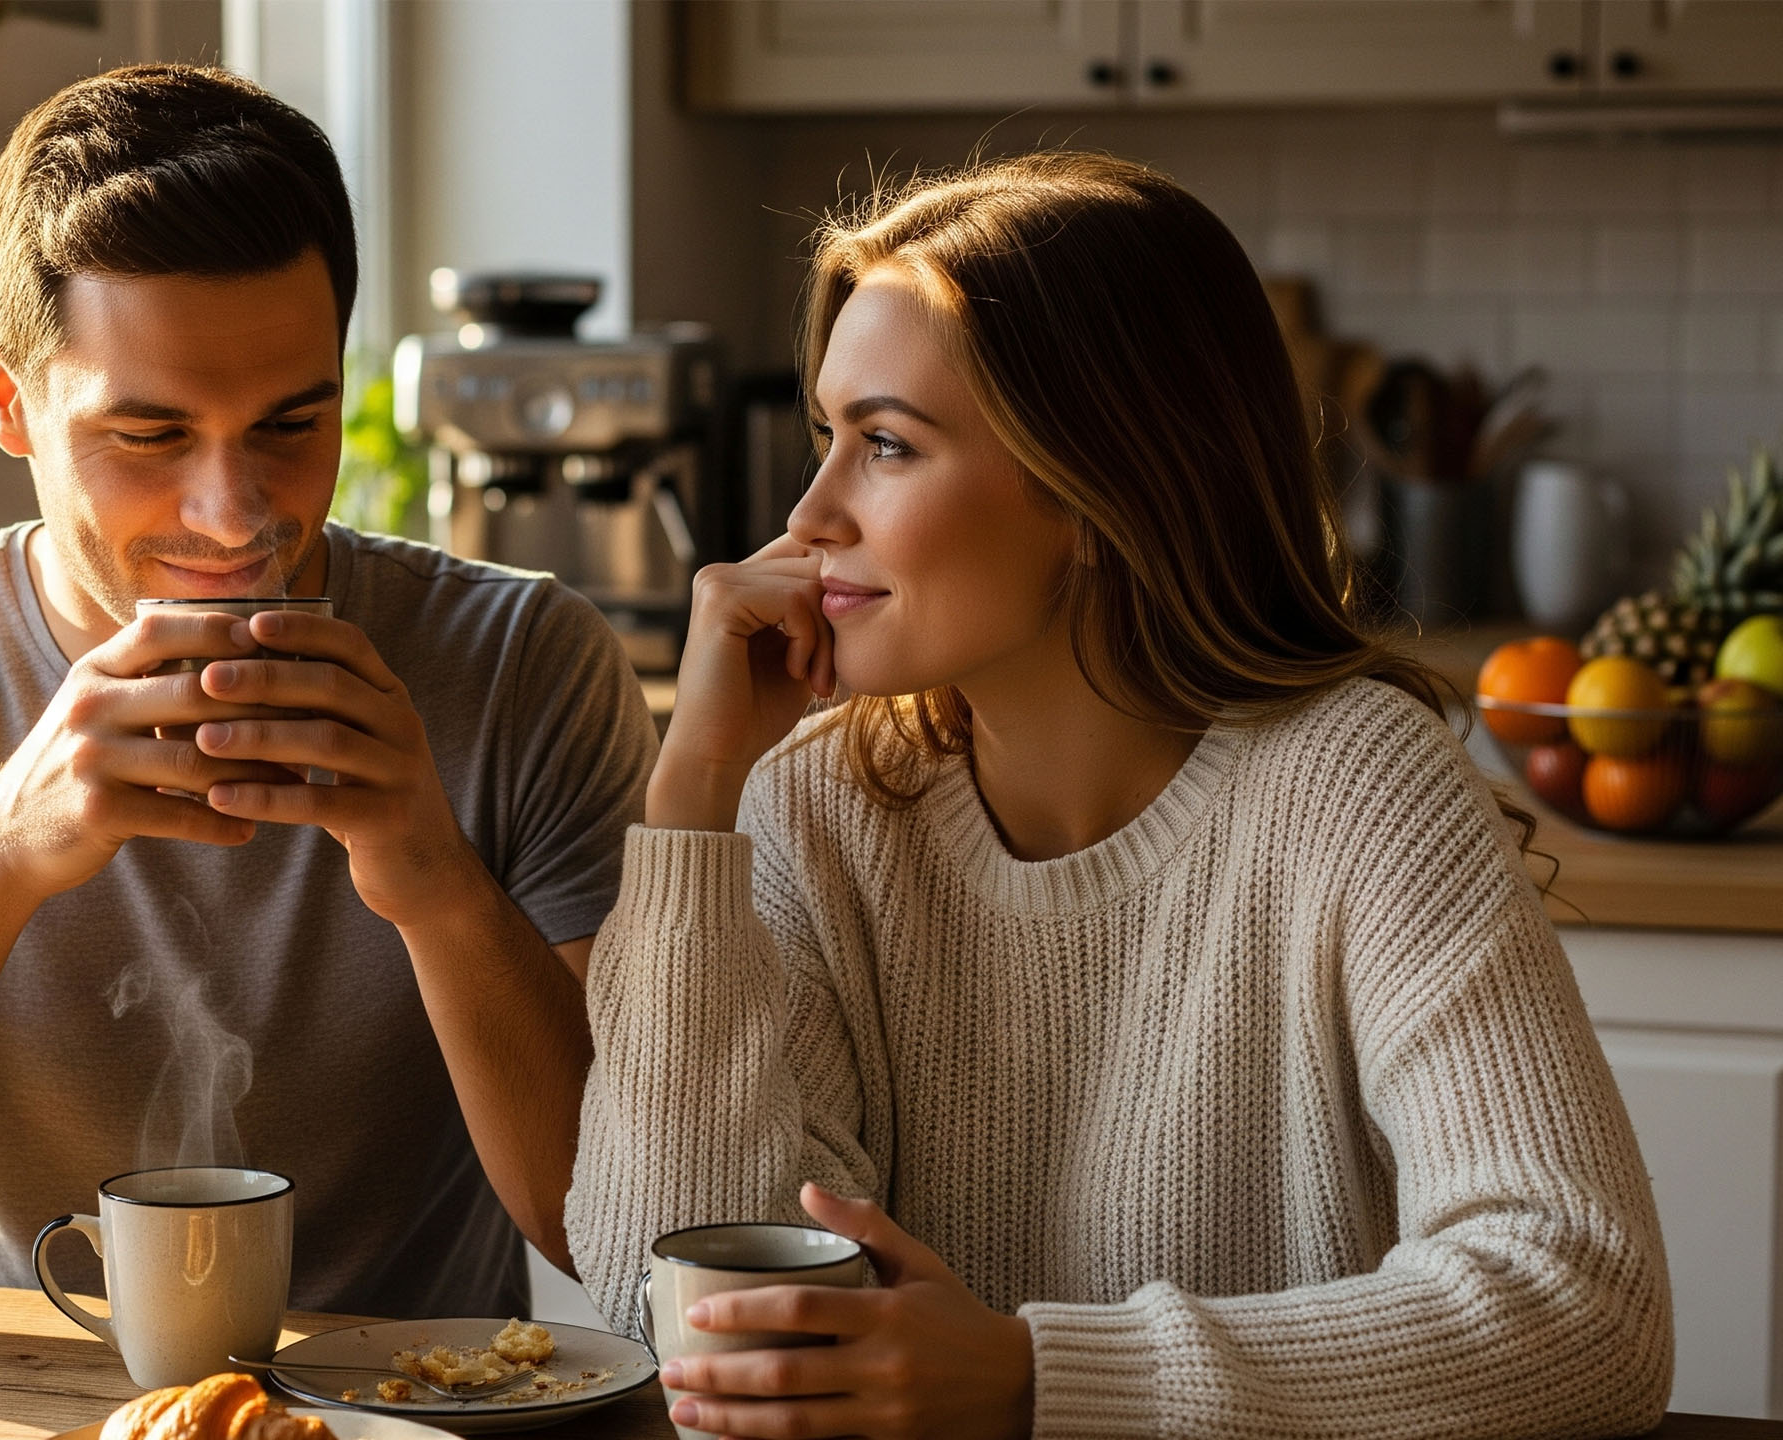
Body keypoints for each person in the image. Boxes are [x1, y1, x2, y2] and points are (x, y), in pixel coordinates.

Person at [565, 152, 1673, 1438]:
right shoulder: (812, 806)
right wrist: (692, 801)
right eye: (828, 438)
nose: (807, 514)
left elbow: (1584, 1310)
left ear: (1096, 490)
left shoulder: (1356, 785)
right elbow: (669, 1306)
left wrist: (1039, 1382)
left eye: (884, 445)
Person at [0, 64, 654, 1319]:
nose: (236, 517)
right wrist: (5, 842)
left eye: (290, 424)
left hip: (409, 1406)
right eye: (148, 438)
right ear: (7, 398)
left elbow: (614, 1228)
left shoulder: (525, 662)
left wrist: (431, 873)